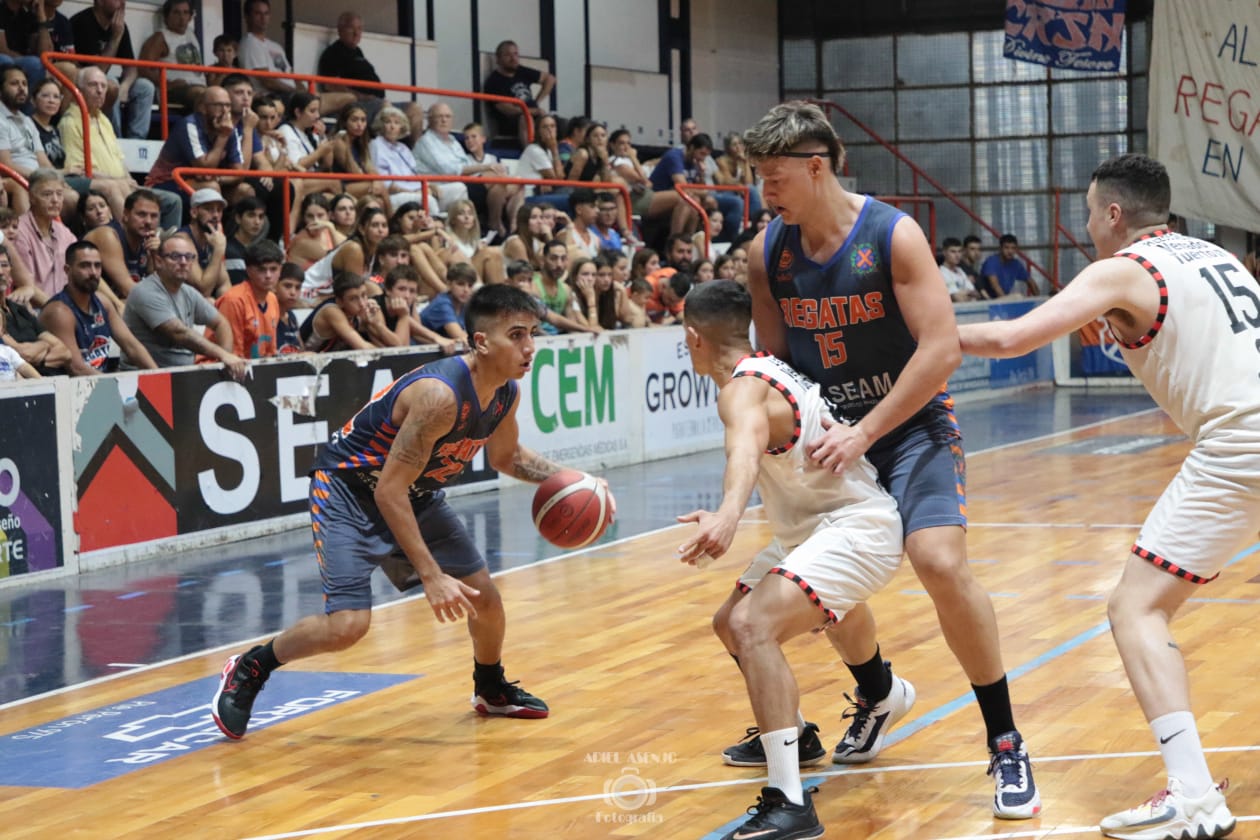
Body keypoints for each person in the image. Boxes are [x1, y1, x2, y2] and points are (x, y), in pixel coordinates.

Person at [743, 101, 1040, 819]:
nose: (764, 192)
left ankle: (1005, 740)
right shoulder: (767, 252)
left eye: (774, 177)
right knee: (815, 578)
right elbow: (775, 366)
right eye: (759, 177)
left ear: (817, 167)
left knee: (937, 560)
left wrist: (866, 431)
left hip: (906, 426)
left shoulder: (892, 235)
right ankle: (877, 690)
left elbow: (938, 351)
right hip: (827, 433)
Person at [960, 152, 1250, 840]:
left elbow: (1009, 336)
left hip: (1241, 447)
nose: (1086, 224)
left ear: (1114, 214)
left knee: (1134, 606)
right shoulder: (1219, 257)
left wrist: (910, 336)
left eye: (1090, 211)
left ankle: (1191, 793)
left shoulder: (1122, 268)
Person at [212, 283, 607, 740]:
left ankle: (490, 688)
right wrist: (432, 574)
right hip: (348, 491)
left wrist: (576, 481)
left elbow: (506, 457)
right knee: (348, 627)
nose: (529, 347)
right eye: (516, 335)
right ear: (481, 342)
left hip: (413, 493)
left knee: (486, 601)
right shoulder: (439, 397)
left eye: (532, 333)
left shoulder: (505, 392)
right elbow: (386, 492)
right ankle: (251, 667)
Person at [677, 279, 904, 840]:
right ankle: (816, 725)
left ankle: (790, 803)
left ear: (691, 338)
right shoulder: (769, 366)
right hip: (815, 528)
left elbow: (745, 447)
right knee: (730, 622)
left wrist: (729, 514)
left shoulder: (741, 390)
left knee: (755, 625)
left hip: (855, 526)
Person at [59, 67, 181, 229]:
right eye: (93, 85)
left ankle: (166, 246)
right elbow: (79, 169)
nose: (100, 91)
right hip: (101, 185)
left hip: (121, 183)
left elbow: (119, 160)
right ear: (79, 90)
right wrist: (118, 181)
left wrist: (130, 179)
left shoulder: (103, 119)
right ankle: (134, 240)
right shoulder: (70, 121)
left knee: (172, 201)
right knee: (122, 190)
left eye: (103, 86)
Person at [122, 231, 247, 377]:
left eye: (189, 257)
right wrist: (222, 354)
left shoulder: (188, 292)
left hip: (182, 376)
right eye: (175, 256)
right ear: (159, 261)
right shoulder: (145, 291)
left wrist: (225, 360)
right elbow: (179, 333)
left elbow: (221, 323)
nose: (183, 262)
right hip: (142, 379)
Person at [38, 239, 155, 374]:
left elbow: (131, 346)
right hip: (68, 389)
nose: (93, 272)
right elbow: (77, 368)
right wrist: (114, 390)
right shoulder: (59, 312)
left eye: (97, 266)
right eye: (85, 266)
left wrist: (159, 377)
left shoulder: (102, 302)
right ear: (67, 270)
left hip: (98, 384)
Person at [317, 12, 424, 141]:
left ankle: (415, 154)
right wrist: (362, 97)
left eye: (360, 29)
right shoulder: (333, 53)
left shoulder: (358, 52)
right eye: (352, 28)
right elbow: (330, 85)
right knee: (386, 107)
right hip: (361, 106)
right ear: (340, 30)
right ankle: (386, 152)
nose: (356, 33)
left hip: (377, 102)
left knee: (415, 109)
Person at [69, 0, 156, 139]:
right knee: (109, 83)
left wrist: (125, 86)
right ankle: (115, 139)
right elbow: (98, 71)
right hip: (85, 82)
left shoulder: (120, 26)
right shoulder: (83, 22)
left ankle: (137, 141)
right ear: (100, 2)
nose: (122, 2)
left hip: (103, 80)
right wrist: (115, 38)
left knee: (145, 87)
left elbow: (131, 67)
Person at [0, 66, 75, 216]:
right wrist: (40, 177)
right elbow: (5, 165)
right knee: (68, 198)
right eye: (14, 84)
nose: (21, 88)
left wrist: (57, 178)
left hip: (37, 177)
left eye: (24, 84)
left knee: (72, 195)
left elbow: (43, 160)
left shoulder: (27, 120)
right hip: (16, 177)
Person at [145, 85, 243, 198]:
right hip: (167, 182)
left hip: (204, 181)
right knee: (211, 188)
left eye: (228, 105)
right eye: (218, 105)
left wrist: (218, 178)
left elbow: (239, 173)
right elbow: (204, 169)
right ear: (203, 108)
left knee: (244, 190)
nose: (225, 111)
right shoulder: (189, 125)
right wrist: (223, 136)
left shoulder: (229, 128)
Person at [11, 167, 77, 304]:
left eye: (59, 194)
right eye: (47, 194)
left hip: (66, 307)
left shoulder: (63, 231)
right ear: (31, 198)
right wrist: (59, 311)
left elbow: (84, 266)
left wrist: (116, 303)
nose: (55, 200)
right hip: (38, 310)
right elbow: (27, 286)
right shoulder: (19, 231)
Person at [0, 245, 70, 373]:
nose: (0, 272)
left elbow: (65, 352)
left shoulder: (19, 309)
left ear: (11, 270)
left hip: (51, 383)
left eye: (4, 265)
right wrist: (45, 345)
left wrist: (39, 357)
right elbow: (24, 354)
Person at [85, 186, 161, 299]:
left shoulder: (148, 240)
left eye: (154, 216)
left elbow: (158, 286)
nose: (148, 221)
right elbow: (128, 290)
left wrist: (156, 256)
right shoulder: (107, 235)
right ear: (125, 215)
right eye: (141, 215)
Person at [214, 239, 282, 358]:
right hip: (218, 368)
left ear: (280, 269)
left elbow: (271, 353)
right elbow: (233, 355)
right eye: (261, 269)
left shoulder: (272, 299)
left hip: (255, 368)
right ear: (249, 271)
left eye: (273, 269)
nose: (268, 275)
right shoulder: (234, 300)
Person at [299, 271, 397, 351]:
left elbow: (387, 344)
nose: (362, 303)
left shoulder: (362, 308)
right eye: (353, 298)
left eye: (364, 295)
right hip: (301, 365)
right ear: (340, 301)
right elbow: (363, 347)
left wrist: (377, 324)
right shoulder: (331, 311)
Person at [483, 39, 555, 146]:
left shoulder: (521, 71)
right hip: (511, 122)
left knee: (558, 122)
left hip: (533, 113)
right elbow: (508, 110)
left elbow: (550, 79)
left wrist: (537, 101)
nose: (513, 58)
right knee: (525, 118)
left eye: (515, 54)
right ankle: (529, 152)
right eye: (508, 55)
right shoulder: (493, 82)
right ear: (498, 59)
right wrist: (534, 111)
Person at [137, 0, 206, 110]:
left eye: (185, 12)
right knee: (205, 96)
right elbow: (143, 68)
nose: (182, 17)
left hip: (199, 88)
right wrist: (167, 84)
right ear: (166, 16)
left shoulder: (190, 33)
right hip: (175, 91)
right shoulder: (160, 37)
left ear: (190, 16)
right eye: (176, 13)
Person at [177, 188, 230, 298]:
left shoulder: (211, 238)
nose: (215, 215)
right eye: (209, 209)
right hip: (176, 302)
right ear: (194, 212)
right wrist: (218, 250)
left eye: (219, 210)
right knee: (210, 301)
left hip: (197, 303)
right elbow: (203, 290)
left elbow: (224, 284)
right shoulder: (183, 241)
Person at [419, 261, 476, 342]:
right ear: (449, 284)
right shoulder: (442, 304)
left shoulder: (465, 304)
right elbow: (461, 337)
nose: (466, 290)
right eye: (460, 284)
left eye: (470, 286)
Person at [224, 195, 267, 286]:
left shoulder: (257, 249)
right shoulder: (230, 251)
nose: (257, 222)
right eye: (251, 215)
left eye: (261, 217)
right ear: (238, 218)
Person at [980, 233, 1038, 298]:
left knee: (1019, 296)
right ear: (1000, 248)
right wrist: (1006, 302)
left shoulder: (1016, 264)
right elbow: (995, 286)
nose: (1010, 251)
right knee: (1018, 296)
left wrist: (1039, 299)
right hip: (987, 300)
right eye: (1006, 247)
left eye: (1013, 248)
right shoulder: (991, 262)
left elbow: (1030, 281)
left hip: (1003, 300)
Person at [274, 261, 303, 353]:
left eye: (298, 287)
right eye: (287, 286)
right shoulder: (267, 315)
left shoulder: (291, 316)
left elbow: (301, 350)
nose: (293, 293)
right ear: (274, 286)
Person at [940, 236, 979, 302]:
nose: (957, 255)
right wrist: (968, 293)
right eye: (953, 252)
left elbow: (976, 294)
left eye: (959, 251)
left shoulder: (960, 271)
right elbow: (956, 298)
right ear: (944, 253)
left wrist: (963, 294)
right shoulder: (941, 273)